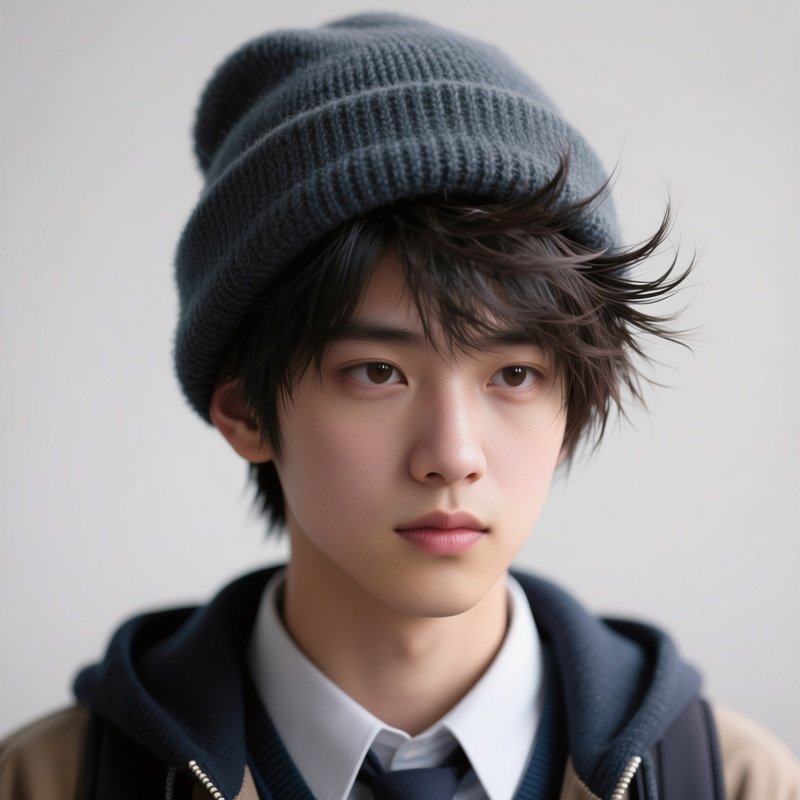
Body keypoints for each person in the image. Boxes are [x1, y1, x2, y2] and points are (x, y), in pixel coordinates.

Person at [1, 12, 797, 800]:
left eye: (515, 375)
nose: (453, 455)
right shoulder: (49, 781)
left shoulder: (735, 780)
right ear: (244, 410)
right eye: (378, 371)